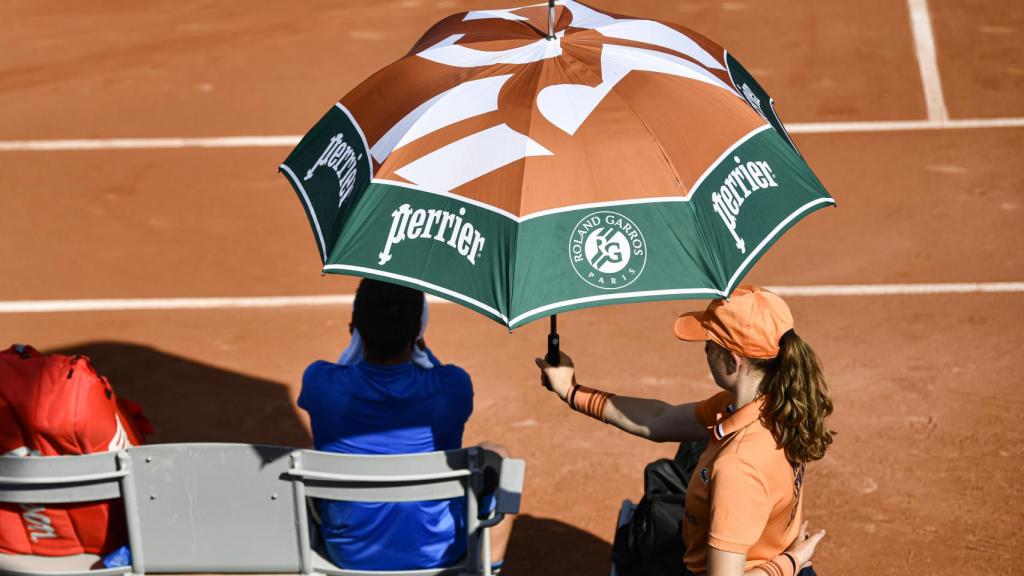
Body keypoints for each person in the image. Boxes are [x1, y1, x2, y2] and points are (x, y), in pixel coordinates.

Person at [536, 286, 833, 576]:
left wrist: (790, 564)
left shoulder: (738, 467)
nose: (704, 347)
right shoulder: (779, 404)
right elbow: (659, 418)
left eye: (711, 341)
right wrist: (573, 392)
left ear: (733, 361)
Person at [299, 278, 513, 572]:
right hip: (440, 552)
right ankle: (491, 569)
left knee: (312, 453)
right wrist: (421, 347)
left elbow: (344, 368)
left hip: (348, 554)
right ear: (417, 334)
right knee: (499, 456)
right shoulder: (453, 387)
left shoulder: (319, 383)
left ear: (354, 330)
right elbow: (432, 369)